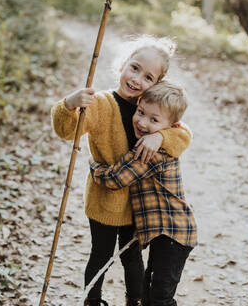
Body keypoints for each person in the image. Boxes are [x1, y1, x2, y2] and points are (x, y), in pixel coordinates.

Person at [51, 36, 192, 306]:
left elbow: (183, 135)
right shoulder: (102, 103)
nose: (138, 79)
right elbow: (67, 131)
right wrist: (69, 105)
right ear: (122, 65)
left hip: (136, 203)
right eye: (135, 68)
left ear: (156, 85)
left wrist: (160, 138)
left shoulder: (152, 108)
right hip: (104, 200)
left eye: (148, 77)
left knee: (132, 256)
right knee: (101, 254)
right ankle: (92, 300)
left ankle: (135, 300)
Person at [89, 82, 198, 306]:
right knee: (150, 293)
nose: (142, 122)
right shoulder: (152, 141)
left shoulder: (151, 152)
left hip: (173, 235)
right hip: (167, 235)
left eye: (154, 120)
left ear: (171, 126)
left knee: (160, 298)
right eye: (140, 112)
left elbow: (114, 179)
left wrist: (94, 166)